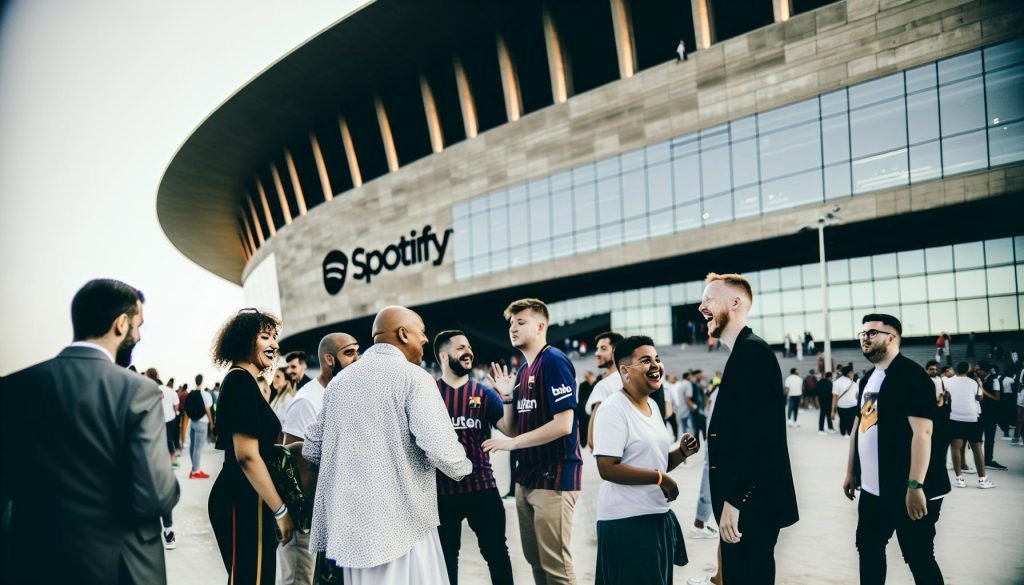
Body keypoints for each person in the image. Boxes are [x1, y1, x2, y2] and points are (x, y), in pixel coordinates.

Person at [0, 278, 179, 584]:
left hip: (27, 563)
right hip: (115, 566)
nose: (138, 335)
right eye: (138, 325)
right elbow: (154, 495)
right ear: (121, 324)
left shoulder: (13, 387)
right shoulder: (139, 391)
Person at [304, 306, 471, 583]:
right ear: (404, 334)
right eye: (422, 332)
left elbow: (312, 447)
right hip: (403, 527)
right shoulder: (414, 377)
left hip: (352, 533)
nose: (426, 340)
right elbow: (446, 455)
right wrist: (465, 466)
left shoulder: (339, 383)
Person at [696, 273, 797, 583]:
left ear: (735, 303)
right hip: (747, 503)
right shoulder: (742, 352)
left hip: (752, 505)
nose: (702, 307)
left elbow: (760, 438)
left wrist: (736, 500)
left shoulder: (753, 353)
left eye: (709, 299)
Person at [843, 314, 951, 585]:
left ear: (892, 337)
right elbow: (860, 426)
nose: (864, 338)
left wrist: (915, 486)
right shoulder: (868, 377)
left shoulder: (912, 376)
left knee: (918, 556)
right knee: (868, 548)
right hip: (872, 489)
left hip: (909, 489)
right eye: (862, 333)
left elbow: (923, 434)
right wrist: (850, 471)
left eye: (872, 333)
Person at [483, 298, 582, 585]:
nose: (513, 328)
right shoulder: (524, 371)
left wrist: (512, 445)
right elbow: (513, 430)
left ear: (540, 326)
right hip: (527, 479)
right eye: (511, 323)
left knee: (557, 567)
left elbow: (564, 425)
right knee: (536, 562)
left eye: (521, 322)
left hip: (554, 479)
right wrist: (507, 396)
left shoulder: (554, 360)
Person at [592, 335, 698, 584]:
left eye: (657, 359)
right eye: (646, 360)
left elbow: (655, 462)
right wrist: (660, 478)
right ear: (625, 371)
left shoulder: (652, 406)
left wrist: (681, 453)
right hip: (626, 523)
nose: (656, 365)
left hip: (656, 519)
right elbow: (607, 468)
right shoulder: (613, 409)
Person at [208, 309, 294, 584]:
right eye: (265, 337)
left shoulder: (244, 382)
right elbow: (246, 456)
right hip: (243, 499)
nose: (274, 344)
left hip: (248, 498)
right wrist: (280, 510)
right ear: (246, 339)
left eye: (275, 337)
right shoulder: (240, 382)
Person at [432, 330, 514, 585]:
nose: (468, 351)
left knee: (497, 554)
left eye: (468, 346)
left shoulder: (484, 393)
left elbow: (511, 430)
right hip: (442, 493)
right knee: (446, 560)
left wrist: (508, 396)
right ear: (444, 356)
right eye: (460, 348)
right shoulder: (429, 394)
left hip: (481, 487)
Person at [279, 332, 359, 585]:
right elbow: (291, 462)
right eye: (349, 353)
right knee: (300, 579)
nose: (357, 359)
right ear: (328, 359)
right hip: (310, 516)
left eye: (357, 351)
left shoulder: (348, 394)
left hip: (339, 514)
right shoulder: (307, 401)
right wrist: (304, 520)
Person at [946, 362, 995, 489]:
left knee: (955, 447)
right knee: (977, 449)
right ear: (968, 370)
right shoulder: (973, 382)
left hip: (955, 417)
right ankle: (982, 480)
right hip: (972, 418)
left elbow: (946, 394)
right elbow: (979, 398)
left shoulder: (949, 381)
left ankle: (959, 479)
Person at [147, 368, 180, 549]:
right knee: (162, 485)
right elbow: (175, 408)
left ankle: (166, 530)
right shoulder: (168, 391)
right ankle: (168, 530)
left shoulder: (144, 390)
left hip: (150, 436)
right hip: (166, 425)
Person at [585, 331, 624, 450]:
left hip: (610, 450)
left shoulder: (604, 385)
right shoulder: (630, 379)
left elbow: (592, 439)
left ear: (616, 350)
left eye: (603, 348)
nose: (597, 353)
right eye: (597, 349)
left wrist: (593, 445)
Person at [978, 362, 1008, 470]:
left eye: (979, 370)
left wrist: (982, 390)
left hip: (990, 413)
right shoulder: (981, 379)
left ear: (985, 370)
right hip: (981, 412)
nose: (977, 372)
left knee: (989, 438)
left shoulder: (994, 380)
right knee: (978, 438)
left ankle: (988, 460)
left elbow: (997, 397)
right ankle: (983, 459)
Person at [185, 373, 215, 479]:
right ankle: (195, 471)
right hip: (202, 423)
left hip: (192, 422)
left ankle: (194, 468)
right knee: (198, 447)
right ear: (202, 382)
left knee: (193, 446)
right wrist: (211, 423)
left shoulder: (191, 394)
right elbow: (207, 409)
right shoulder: (206, 395)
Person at [272, 356, 301, 426]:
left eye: (278, 377)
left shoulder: (288, 399)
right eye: (274, 376)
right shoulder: (277, 396)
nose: (274, 379)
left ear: (286, 381)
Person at [832, 366, 858, 436]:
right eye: (852, 372)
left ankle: (843, 433)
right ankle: (850, 433)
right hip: (853, 405)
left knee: (842, 420)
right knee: (851, 421)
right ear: (849, 373)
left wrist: (832, 410)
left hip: (841, 406)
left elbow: (834, 397)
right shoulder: (854, 384)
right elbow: (857, 396)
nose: (853, 374)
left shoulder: (836, 382)